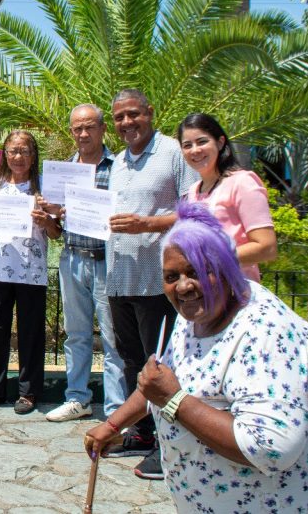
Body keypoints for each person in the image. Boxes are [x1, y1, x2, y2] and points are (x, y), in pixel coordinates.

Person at [84, 202, 308, 512]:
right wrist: (113, 425)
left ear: (226, 269)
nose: (184, 286)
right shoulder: (193, 316)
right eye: (171, 276)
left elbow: (270, 448)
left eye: (197, 271)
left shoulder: (266, 333)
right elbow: (157, 383)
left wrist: (175, 401)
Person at [104, 89, 198, 480]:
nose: (127, 123)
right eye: (120, 117)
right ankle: (142, 433)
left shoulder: (174, 153)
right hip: (119, 278)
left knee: (159, 365)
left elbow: (194, 209)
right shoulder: (118, 162)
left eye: (133, 114)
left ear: (149, 113)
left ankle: (167, 445)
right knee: (131, 361)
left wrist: (148, 224)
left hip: (157, 282)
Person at [44, 105, 126, 423]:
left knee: (112, 338)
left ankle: (116, 409)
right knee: (76, 335)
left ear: (103, 129)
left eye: (89, 127)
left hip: (107, 261)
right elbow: (54, 230)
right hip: (73, 259)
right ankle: (77, 398)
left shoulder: (118, 168)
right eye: (77, 128)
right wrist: (51, 214)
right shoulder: (64, 172)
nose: (83, 134)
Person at [0, 130, 61, 414]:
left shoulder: (43, 189)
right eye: (13, 151)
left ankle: (28, 393)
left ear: (33, 156)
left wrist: (46, 221)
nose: (18, 156)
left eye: (24, 151)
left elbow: (56, 233)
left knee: (30, 332)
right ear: (5, 155)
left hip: (32, 272)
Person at [177, 113, 276, 282]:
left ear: (220, 142)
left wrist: (210, 260)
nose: (195, 150)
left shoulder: (242, 183)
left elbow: (267, 248)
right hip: (203, 291)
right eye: (187, 145)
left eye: (202, 142)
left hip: (237, 291)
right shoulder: (193, 192)